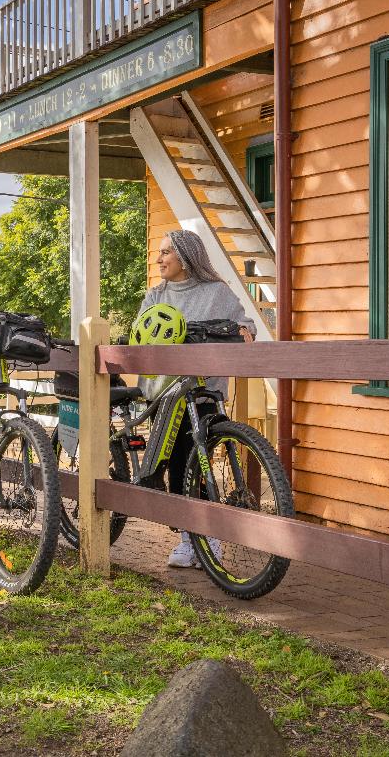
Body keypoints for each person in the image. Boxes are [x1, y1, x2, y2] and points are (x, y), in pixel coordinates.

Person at [135, 229, 256, 569]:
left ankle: (208, 537)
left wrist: (246, 331)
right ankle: (190, 538)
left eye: (165, 253)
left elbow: (244, 323)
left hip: (203, 393)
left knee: (194, 459)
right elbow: (139, 334)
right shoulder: (156, 295)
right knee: (176, 462)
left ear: (186, 257)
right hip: (164, 394)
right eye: (159, 253)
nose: (158, 260)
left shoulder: (217, 293)